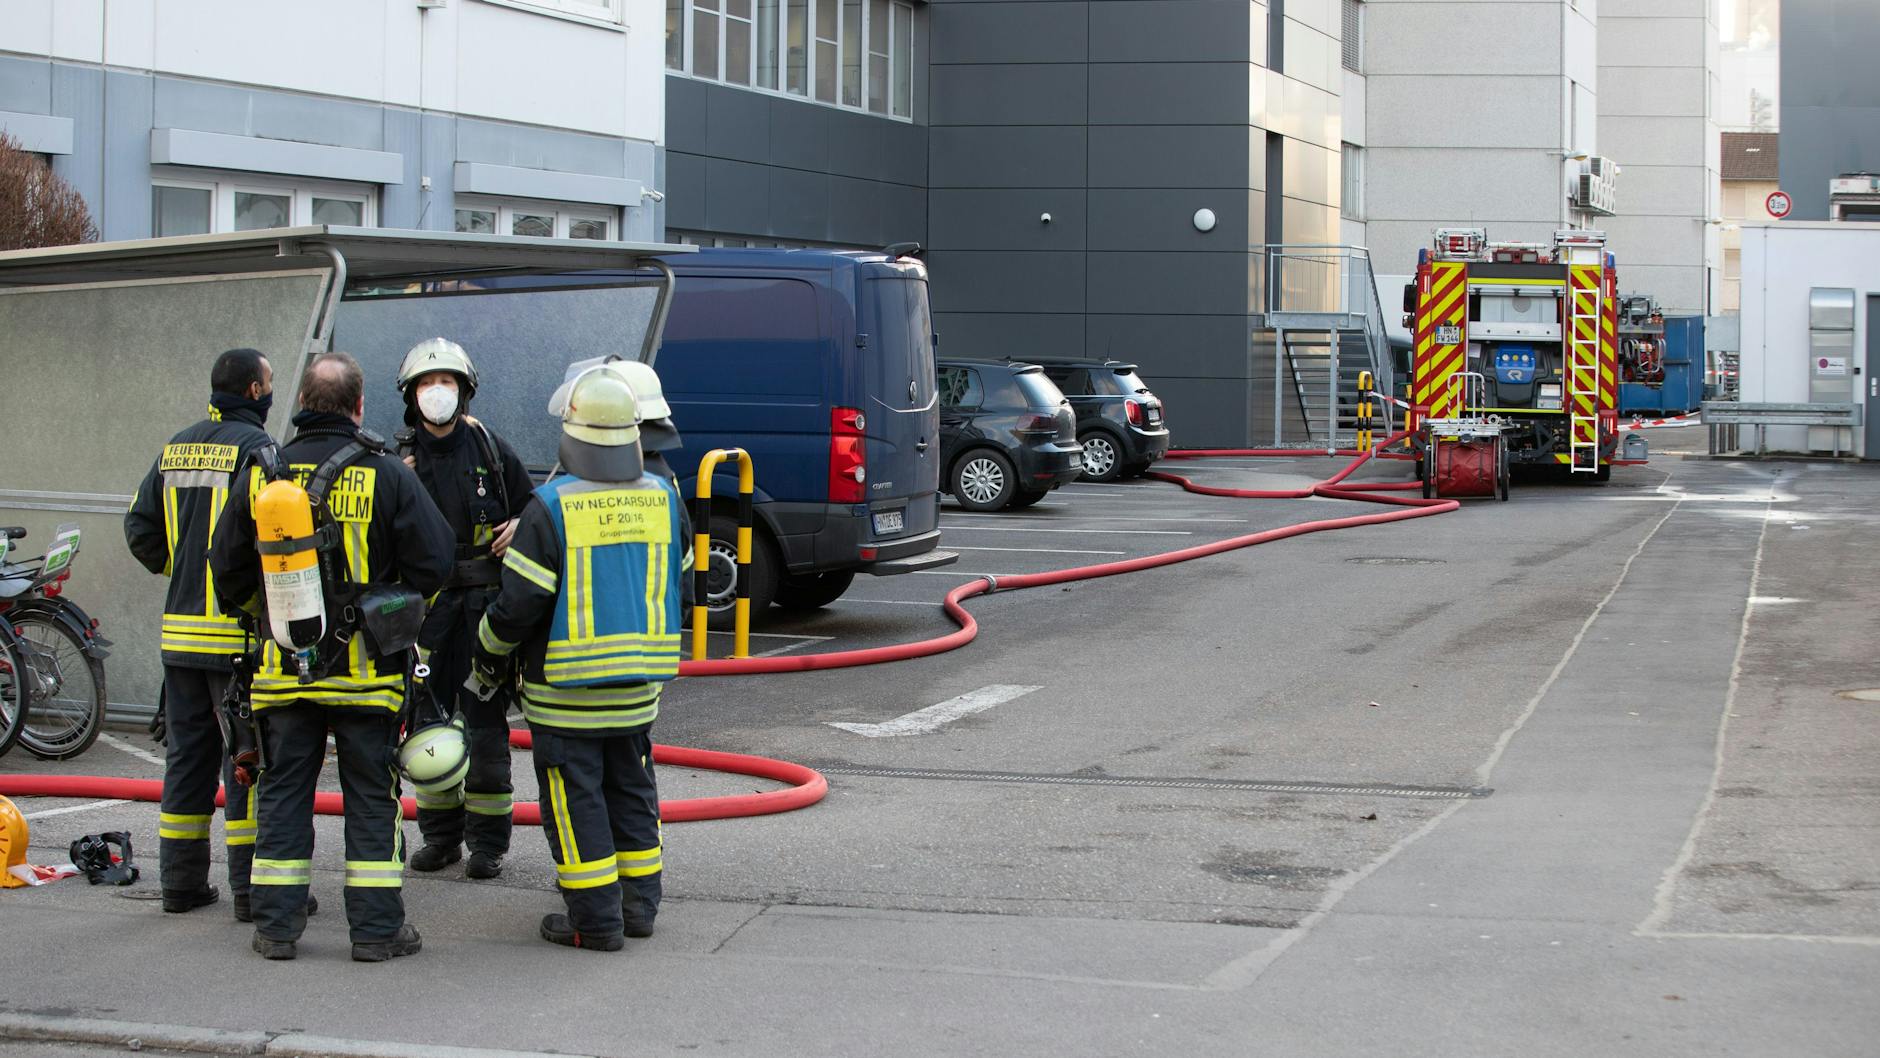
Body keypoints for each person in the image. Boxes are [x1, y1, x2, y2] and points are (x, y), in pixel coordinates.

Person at [209, 351, 454, 962]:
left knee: (283, 793)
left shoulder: (264, 474)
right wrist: (388, 609)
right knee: (372, 796)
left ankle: (276, 929)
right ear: (359, 405)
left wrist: (271, 619)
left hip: (281, 671)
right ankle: (376, 932)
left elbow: (227, 568)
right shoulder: (387, 472)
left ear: (302, 403)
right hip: (367, 677)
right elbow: (435, 564)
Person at [473, 365, 689, 950]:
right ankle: (638, 909)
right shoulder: (665, 499)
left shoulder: (549, 507)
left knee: (575, 805)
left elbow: (516, 609)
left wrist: (485, 659)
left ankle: (593, 922)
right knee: (634, 792)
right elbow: (683, 590)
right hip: (639, 691)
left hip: (565, 696)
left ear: (572, 430)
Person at [125, 348, 310, 921]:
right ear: (255, 392)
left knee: (187, 761)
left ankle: (179, 885)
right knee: (249, 763)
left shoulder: (175, 446)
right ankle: (251, 893)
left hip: (180, 637)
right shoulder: (259, 452)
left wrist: (178, 572)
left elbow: (139, 528)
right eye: (271, 382)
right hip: (238, 639)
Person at [393, 338, 533, 880]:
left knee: (483, 727)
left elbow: (533, 509)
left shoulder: (492, 451)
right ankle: (441, 839)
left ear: (465, 390)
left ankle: (488, 845)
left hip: (483, 610)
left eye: (446, 382)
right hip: (427, 615)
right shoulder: (397, 460)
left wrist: (521, 526)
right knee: (428, 724)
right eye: (427, 384)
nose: (437, 393)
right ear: (411, 395)